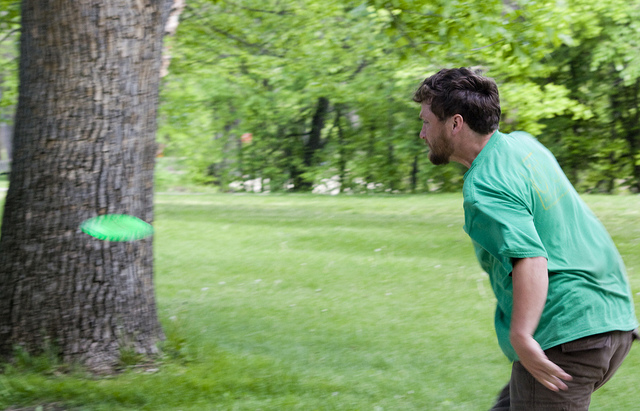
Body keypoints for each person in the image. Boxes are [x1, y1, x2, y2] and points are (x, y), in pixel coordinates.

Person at [413, 67, 639, 410]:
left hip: (567, 334)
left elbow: (530, 258)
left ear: (455, 123)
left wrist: (520, 336)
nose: (422, 133)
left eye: (426, 122)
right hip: (611, 317)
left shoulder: (484, 188)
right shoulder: (524, 146)